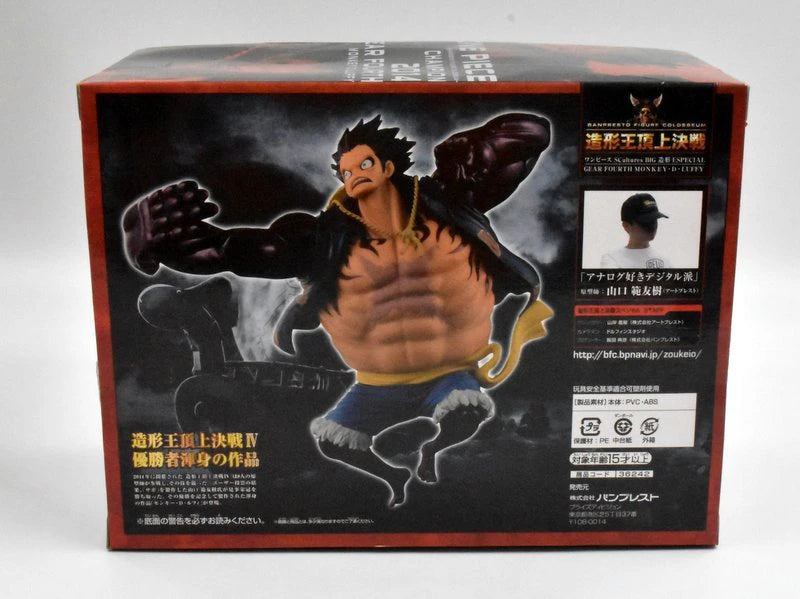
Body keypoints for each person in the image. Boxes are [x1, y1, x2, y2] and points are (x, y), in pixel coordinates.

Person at [122, 114, 553, 507]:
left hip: (451, 370)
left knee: (466, 412)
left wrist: (470, 150)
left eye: (364, 165)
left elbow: (529, 133)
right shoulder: (322, 241)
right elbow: (231, 251)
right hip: (377, 383)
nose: (354, 176)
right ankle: (394, 476)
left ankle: (431, 451)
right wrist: (166, 242)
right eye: (346, 171)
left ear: (388, 166)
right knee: (334, 441)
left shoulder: (449, 205)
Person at [600, 193, 671, 269]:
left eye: (654, 220)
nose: (652, 227)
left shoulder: (665, 261)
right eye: (645, 222)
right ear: (626, 226)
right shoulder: (612, 259)